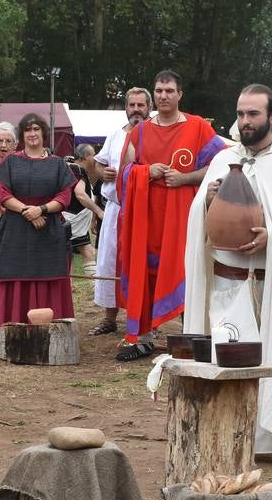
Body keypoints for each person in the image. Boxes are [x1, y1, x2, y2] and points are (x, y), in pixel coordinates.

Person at [183, 84, 272, 468]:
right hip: (228, 281)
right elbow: (199, 217)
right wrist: (210, 200)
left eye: (253, 114)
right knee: (229, 356)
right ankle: (229, 431)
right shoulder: (222, 159)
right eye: (241, 114)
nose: (245, 122)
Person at [115, 70, 227, 360]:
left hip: (182, 220)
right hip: (147, 220)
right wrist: (146, 172)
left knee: (185, 270)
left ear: (180, 94)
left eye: (169, 90)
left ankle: (194, 338)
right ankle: (143, 339)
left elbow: (221, 165)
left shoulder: (198, 127)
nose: (164, 95)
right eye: (160, 91)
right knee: (146, 273)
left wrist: (187, 178)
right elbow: (125, 173)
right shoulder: (140, 132)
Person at [0, 113, 76, 326]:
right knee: (14, 272)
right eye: (28, 129)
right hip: (15, 231)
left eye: (36, 129)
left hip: (48, 230)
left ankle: (51, 323)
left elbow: (64, 197)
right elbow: (2, 194)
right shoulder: (10, 162)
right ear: (22, 134)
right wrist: (29, 211)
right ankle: (12, 322)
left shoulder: (57, 164)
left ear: (44, 133)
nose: (32, 133)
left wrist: (42, 210)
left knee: (48, 274)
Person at [91, 88, 150, 336]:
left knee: (143, 263)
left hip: (145, 211)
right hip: (116, 209)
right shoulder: (115, 136)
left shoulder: (155, 135)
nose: (136, 110)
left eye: (141, 105)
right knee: (109, 261)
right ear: (126, 108)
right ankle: (109, 317)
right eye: (132, 105)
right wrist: (102, 172)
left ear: (149, 107)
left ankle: (147, 320)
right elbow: (97, 164)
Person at [66, 144, 105, 265]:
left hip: (73, 222)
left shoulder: (70, 167)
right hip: (72, 221)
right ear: (85, 157)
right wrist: (99, 211)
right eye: (94, 155)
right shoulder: (76, 169)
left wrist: (93, 220)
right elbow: (80, 195)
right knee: (89, 253)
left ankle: (70, 284)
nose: (95, 158)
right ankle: (94, 284)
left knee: (68, 254)